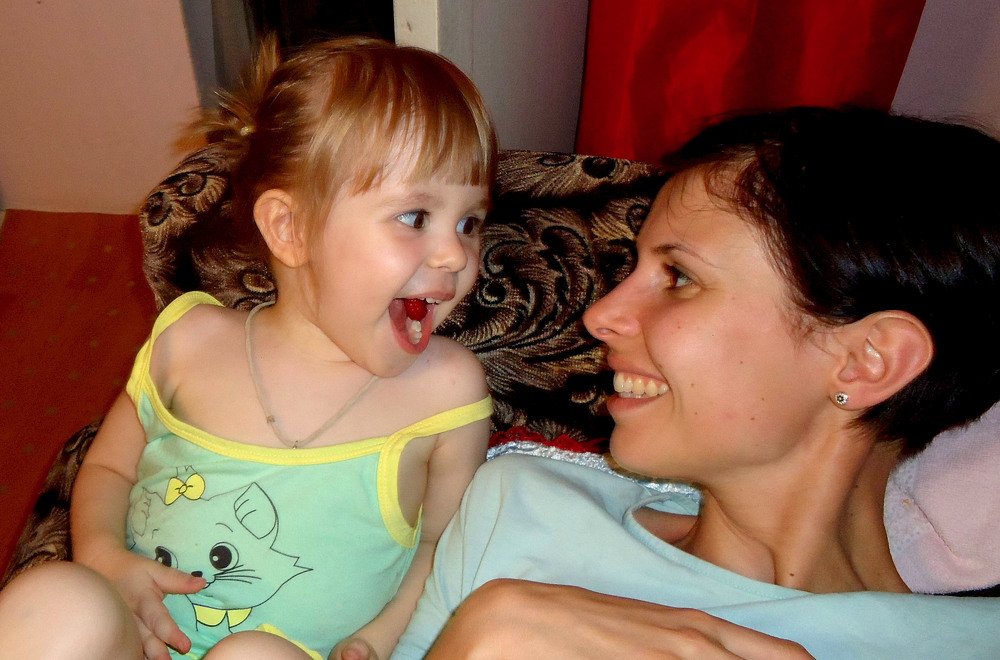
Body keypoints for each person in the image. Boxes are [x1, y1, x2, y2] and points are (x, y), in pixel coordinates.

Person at [393, 106, 1000, 658]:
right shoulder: (521, 506)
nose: (600, 316)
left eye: (678, 277)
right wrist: (486, 633)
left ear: (867, 361)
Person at [0, 36, 497, 660]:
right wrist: (104, 558)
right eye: (416, 217)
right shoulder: (190, 341)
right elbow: (107, 469)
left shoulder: (445, 391)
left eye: (470, 222)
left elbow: (443, 547)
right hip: (139, 640)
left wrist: (379, 638)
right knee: (56, 599)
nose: (455, 255)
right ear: (289, 229)